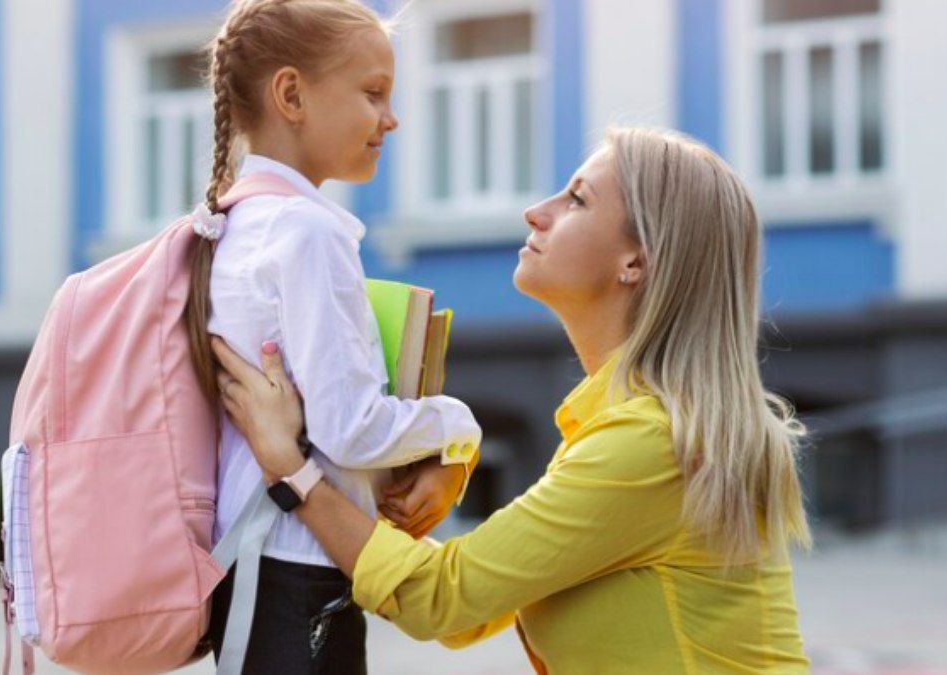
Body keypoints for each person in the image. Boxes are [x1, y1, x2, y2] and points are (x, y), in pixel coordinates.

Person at [213, 127, 814, 673]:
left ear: (636, 261)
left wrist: (291, 467)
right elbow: (472, 605)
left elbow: (441, 600)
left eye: (577, 200)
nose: (537, 211)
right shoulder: (636, 427)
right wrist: (443, 461)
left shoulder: (652, 444)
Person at [183, 1, 482, 672]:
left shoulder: (230, 224)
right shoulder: (309, 233)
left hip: (247, 566)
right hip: (302, 572)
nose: (391, 118)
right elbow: (350, 428)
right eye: (373, 93)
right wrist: (459, 426)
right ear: (291, 93)